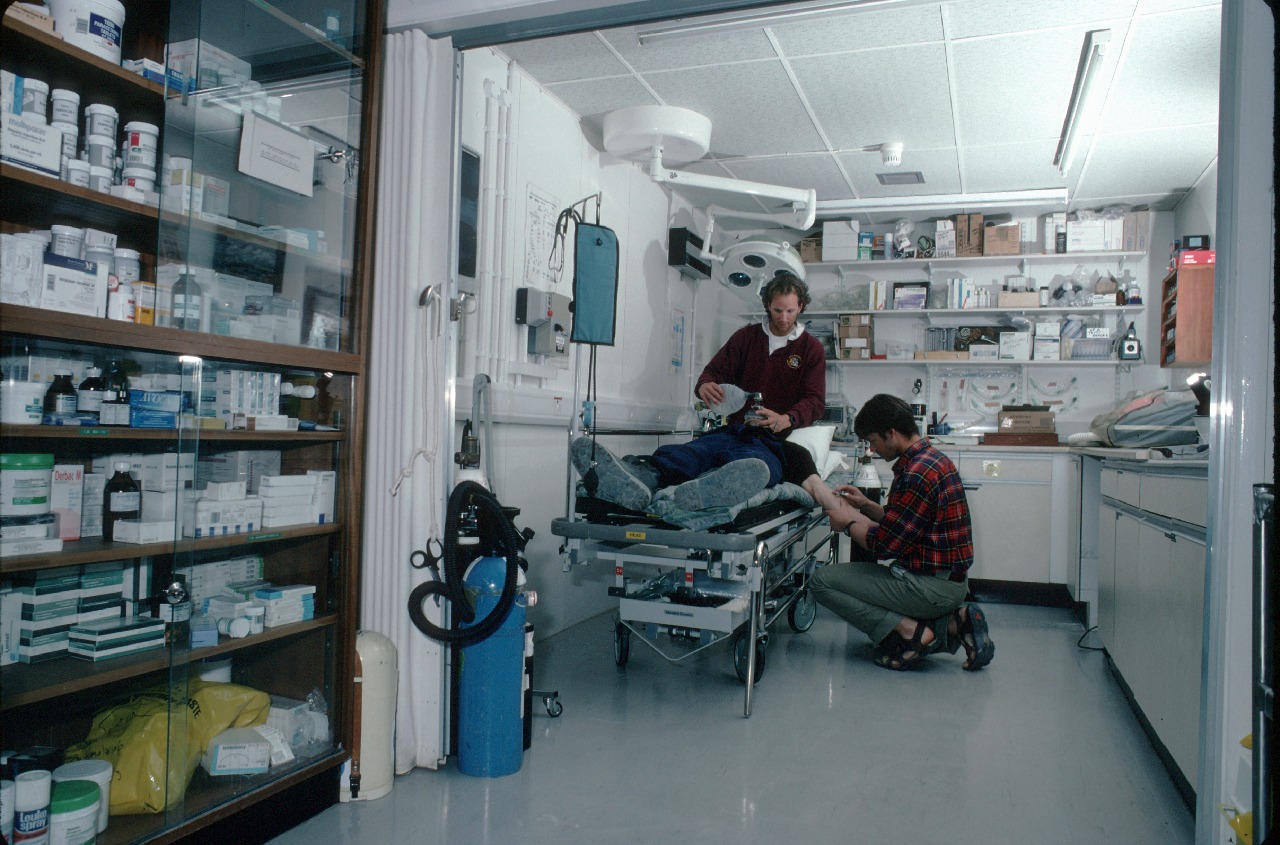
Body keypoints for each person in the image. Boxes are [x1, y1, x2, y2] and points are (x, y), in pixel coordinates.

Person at [571, 271, 834, 513]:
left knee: (756, 464)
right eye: (778, 310)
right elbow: (711, 375)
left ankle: (711, 484)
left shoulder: (811, 349)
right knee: (692, 452)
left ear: (800, 306)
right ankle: (642, 475)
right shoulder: (746, 338)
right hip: (735, 429)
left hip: (774, 440)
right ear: (767, 305)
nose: (784, 318)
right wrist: (705, 386)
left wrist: (786, 419)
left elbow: (815, 401)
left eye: (790, 310)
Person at [813, 393, 995, 671]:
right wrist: (866, 506)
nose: (872, 450)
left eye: (873, 441)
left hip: (929, 587)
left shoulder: (915, 473)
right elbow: (909, 523)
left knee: (821, 582)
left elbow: (885, 546)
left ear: (892, 433)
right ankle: (953, 623)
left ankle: (912, 631)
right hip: (952, 583)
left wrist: (847, 524)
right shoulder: (932, 459)